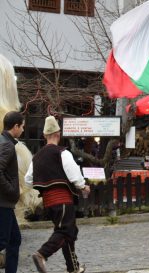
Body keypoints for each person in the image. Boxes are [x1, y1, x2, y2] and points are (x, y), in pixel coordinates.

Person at [26, 116, 90, 273]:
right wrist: (83, 187)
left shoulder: (37, 157)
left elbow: (28, 180)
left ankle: (73, 267)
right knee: (65, 230)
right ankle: (42, 254)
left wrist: (45, 182)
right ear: (58, 134)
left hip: (49, 202)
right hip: (62, 199)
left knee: (67, 231)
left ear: (44, 136)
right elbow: (73, 173)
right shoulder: (62, 153)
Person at [0, 112, 23, 273]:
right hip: (3, 202)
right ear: (15, 126)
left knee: (14, 239)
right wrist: (11, 190)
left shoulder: (4, 142)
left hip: (5, 202)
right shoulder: (6, 145)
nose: (22, 130)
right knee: (3, 241)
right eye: (22, 127)